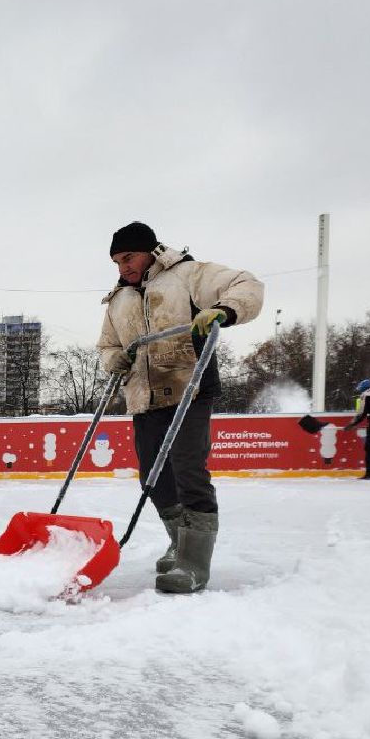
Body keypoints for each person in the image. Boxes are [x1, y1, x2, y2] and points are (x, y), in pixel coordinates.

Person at [97, 222, 264, 594]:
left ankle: (194, 562)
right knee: (153, 479)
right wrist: (114, 359)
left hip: (191, 385)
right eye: (116, 262)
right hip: (144, 394)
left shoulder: (187, 274)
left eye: (128, 258)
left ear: (150, 251)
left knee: (188, 469)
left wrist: (223, 310)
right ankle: (179, 542)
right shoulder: (119, 299)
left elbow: (247, 284)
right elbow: (107, 344)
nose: (122, 267)